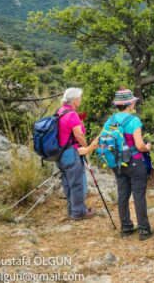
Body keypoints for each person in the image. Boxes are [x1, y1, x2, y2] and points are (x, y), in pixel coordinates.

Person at [104, 87, 154, 240]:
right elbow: (139, 145)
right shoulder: (134, 120)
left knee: (123, 193)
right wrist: (148, 147)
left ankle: (126, 227)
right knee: (138, 194)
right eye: (132, 102)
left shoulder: (110, 120)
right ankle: (144, 229)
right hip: (134, 161)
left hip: (117, 162)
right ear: (129, 104)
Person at [57, 88, 94, 221]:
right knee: (77, 184)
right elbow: (79, 135)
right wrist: (86, 147)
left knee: (68, 184)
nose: (80, 100)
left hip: (60, 153)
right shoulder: (72, 114)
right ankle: (79, 213)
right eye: (79, 98)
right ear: (74, 100)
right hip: (71, 153)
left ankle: (73, 210)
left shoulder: (60, 111)